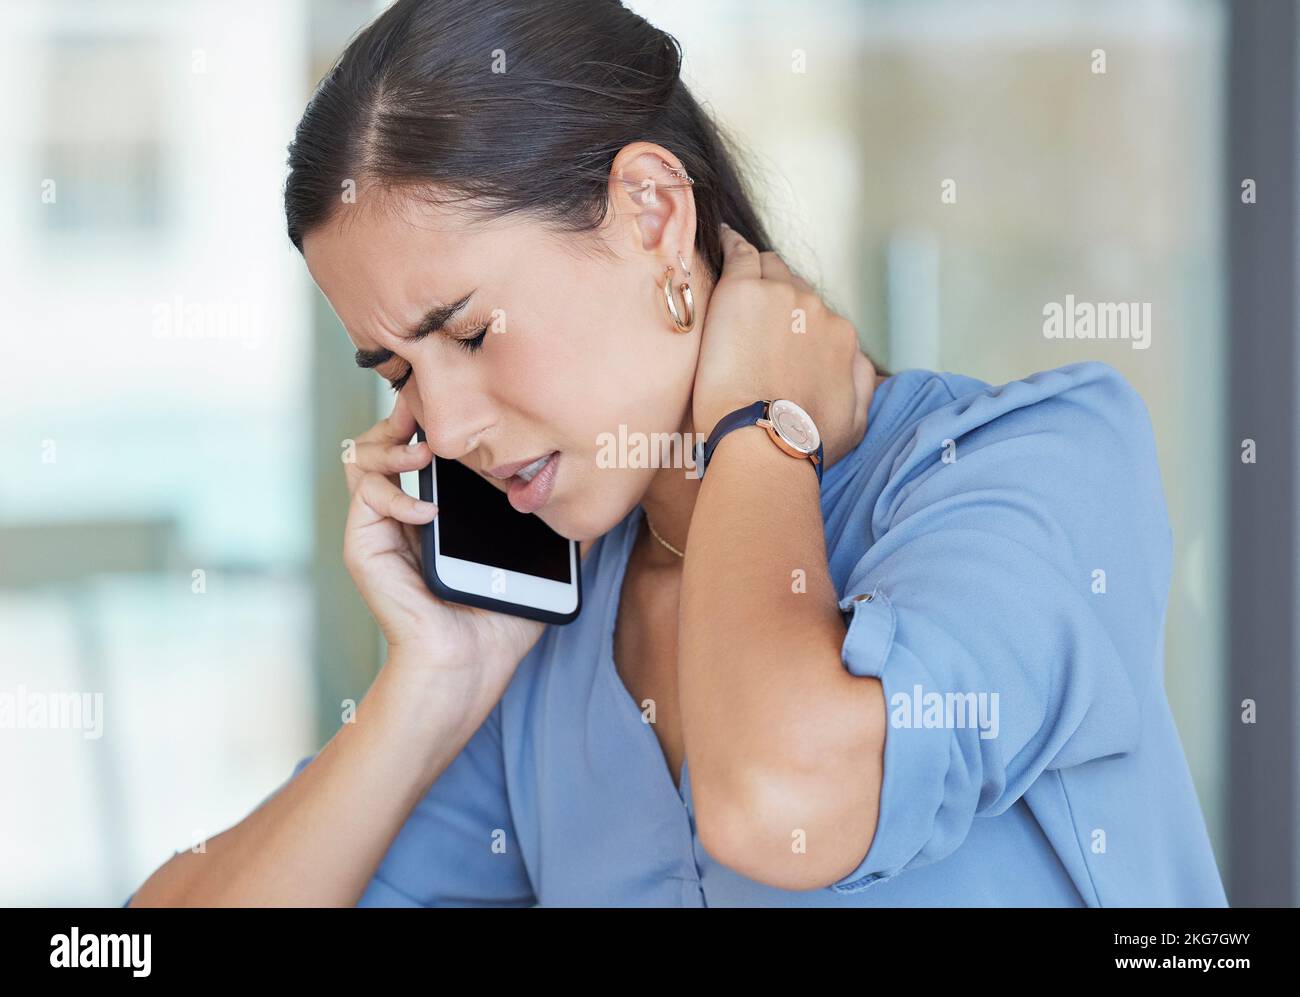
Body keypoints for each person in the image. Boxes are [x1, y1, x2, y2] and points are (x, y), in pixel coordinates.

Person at [125, 0, 1226, 907]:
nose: (444, 429)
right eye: (398, 370)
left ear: (651, 215)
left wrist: (757, 427)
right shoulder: (542, 646)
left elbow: (782, 802)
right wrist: (434, 683)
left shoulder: (1036, 467)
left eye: (469, 332)